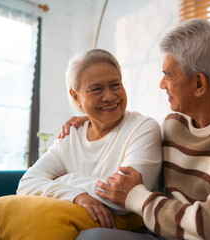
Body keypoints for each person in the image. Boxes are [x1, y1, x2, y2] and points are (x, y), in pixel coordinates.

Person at [62, 19, 210, 239]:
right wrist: (92, 123)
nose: (161, 84)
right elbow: (128, 165)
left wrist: (137, 198)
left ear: (198, 84)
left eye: (168, 76)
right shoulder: (174, 124)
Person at [16, 49, 162, 229]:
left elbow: (123, 197)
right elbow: (26, 184)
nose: (109, 96)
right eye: (97, 89)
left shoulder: (143, 128)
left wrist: (65, 180)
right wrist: (76, 196)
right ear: (75, 96)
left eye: (115, 85)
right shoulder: (71, 136)